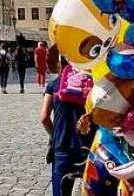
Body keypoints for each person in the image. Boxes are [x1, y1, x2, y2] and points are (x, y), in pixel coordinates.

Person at [40, 61, 92, 196]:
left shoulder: (54, 85)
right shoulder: (91, 84)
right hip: (87, 147)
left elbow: (44, 117)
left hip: (62, 146)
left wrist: (54, 134)